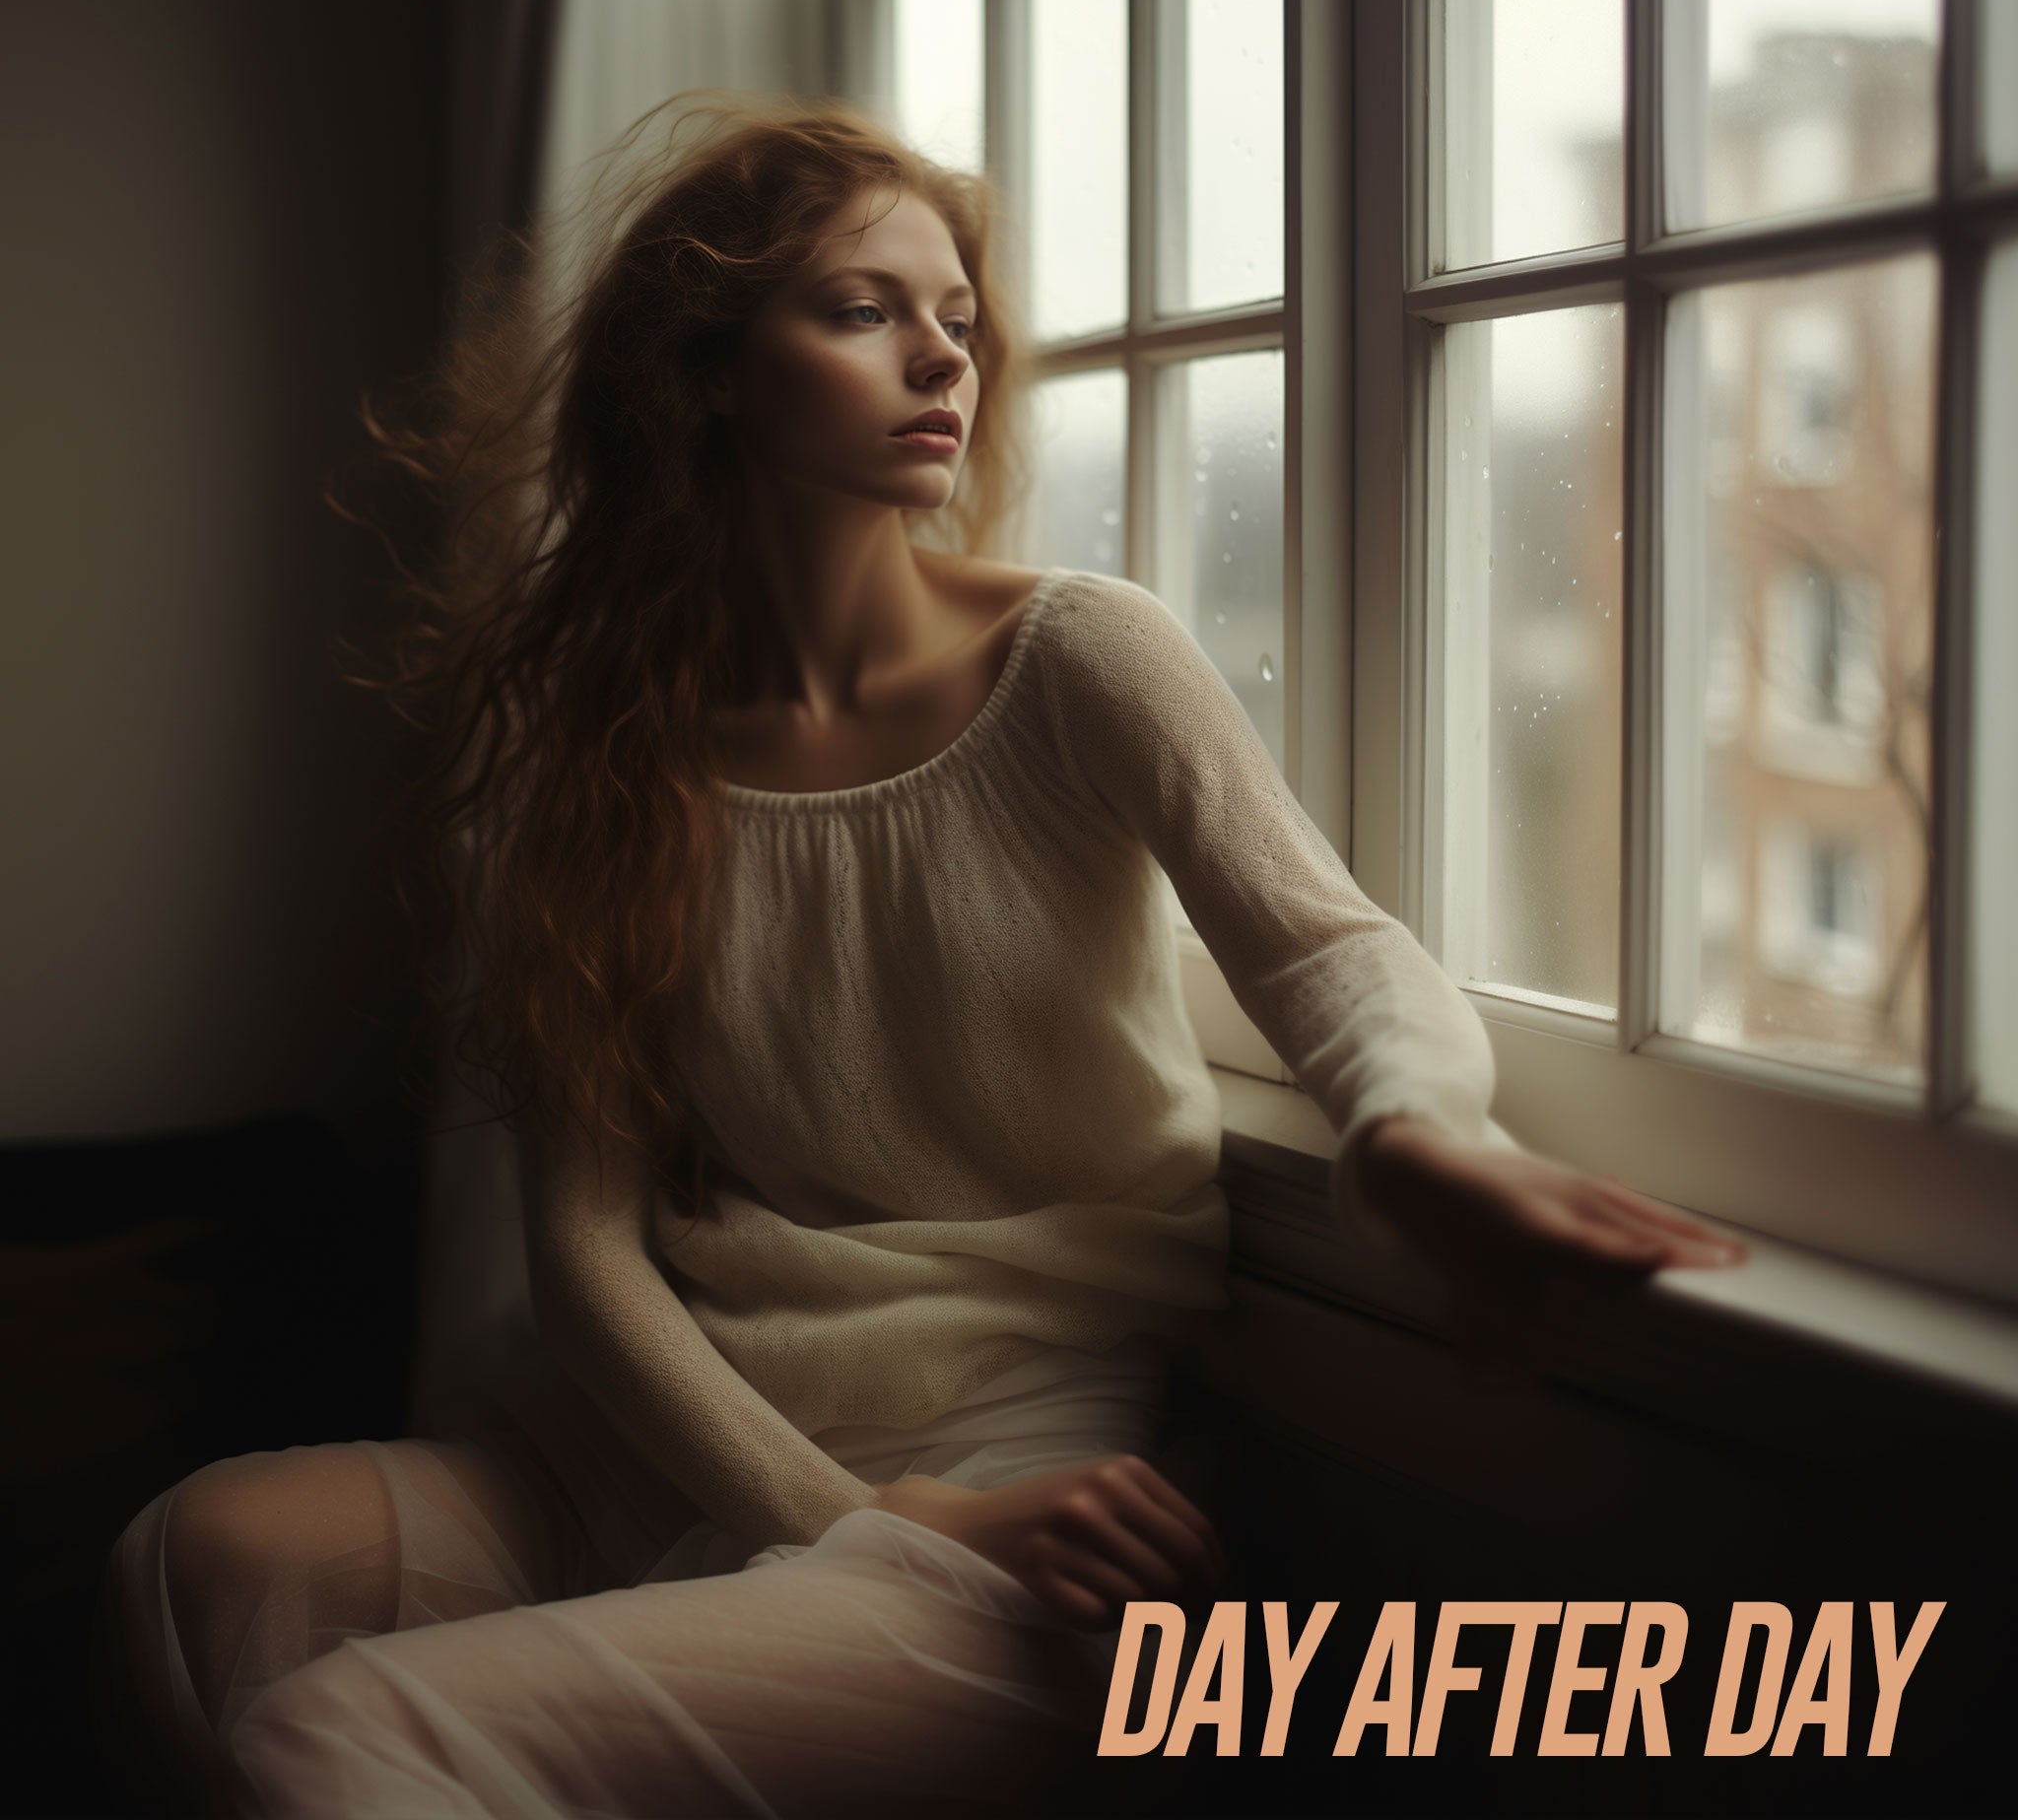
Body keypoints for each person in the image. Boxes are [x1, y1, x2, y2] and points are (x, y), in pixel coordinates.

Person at [91, 91, 1745, 1819]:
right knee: (185, 1559)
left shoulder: (1085, 655)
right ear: (712, 371)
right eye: (866, 309)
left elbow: (1332, 954)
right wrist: (847, 1511)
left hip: (1028, 1488)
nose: (943, 360)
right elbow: (587, 1259)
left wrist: (1424, 1149)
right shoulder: (609, 756)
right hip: (681, 1440)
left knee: (334, 1739)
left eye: (957, 320)